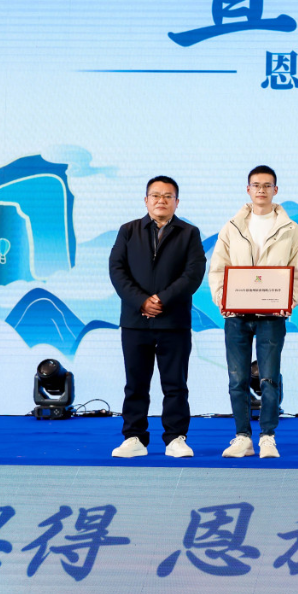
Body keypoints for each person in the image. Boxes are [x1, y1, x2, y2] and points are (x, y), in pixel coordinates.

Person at [206, 165, 298, 460]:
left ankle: (267, 437)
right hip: (236, 316)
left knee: (269, 379)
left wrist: (287, 301)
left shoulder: (291, 230)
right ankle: (242, 437)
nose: (261, 190)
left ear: (276, 190)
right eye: (256, 185)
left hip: (272, 317)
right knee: (237, 379)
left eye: (267, 185)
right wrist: (222, 299)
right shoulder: (232, 227)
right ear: (248, 189)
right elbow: (218, 268)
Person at [108, 176, 206, 459]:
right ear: (146, 200)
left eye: (167, 196)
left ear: (177, 201)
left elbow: (193, 273)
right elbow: (117, 270)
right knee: (135, 384)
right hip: (135, 321)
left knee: (175, 385)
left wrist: (162, 299)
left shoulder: (189, 233)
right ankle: (134, 438)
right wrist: (141, 301)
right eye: (155, 195)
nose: (161, 200)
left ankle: (175, 438)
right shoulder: (128, 231)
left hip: (173, 321)